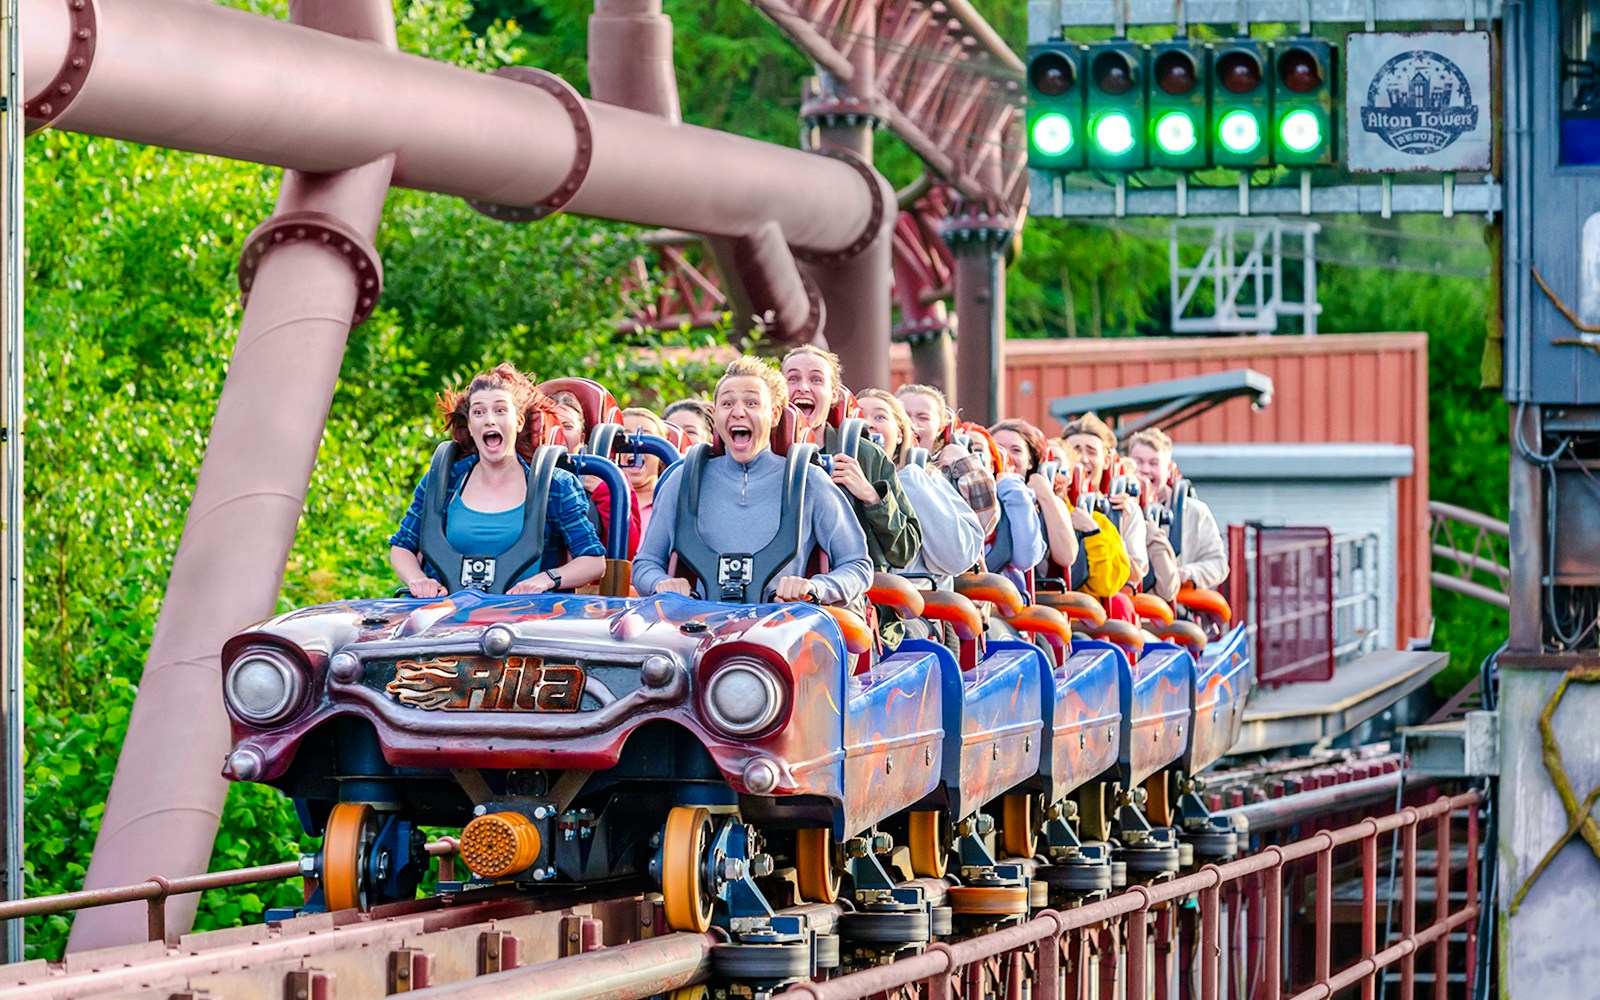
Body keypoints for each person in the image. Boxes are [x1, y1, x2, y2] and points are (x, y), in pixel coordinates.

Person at [633, 356, 872, 606]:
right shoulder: (683, 479)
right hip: (705, 626)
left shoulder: (808, 481)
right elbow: (645, 564)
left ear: (775, 414)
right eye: (727, 404)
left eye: (751, 403)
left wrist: (815, 587)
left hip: (781, 628)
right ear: (716, 416)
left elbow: (857, 565)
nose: (738, 412)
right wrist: (661, 583)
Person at [389, 363, 606, 598]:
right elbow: (402, 546)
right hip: (448, 615)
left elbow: (593, 561)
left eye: (500, 411)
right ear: (471, 426)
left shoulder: (554, 485)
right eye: (479, 413)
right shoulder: (444, 480)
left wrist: (546, 580)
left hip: (524, 617)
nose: (490, 420)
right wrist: (419, 580)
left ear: (519, 422)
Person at [781, 346, 921, 571]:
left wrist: (871, 496)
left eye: (816, 380)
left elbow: (905, 551)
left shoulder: (864, 454)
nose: (803, 388)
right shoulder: (763, 454)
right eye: (793, 379)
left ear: (834, 394)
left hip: (852, 596)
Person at [859, 388, 984, 588]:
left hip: (914, 608)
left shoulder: (924, 478)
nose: (868, 423)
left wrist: (909, 482)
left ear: (900, 433)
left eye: (880, 416)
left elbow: (959, 557)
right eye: (859, 415)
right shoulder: (832, 476)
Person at [1127, 427, 1229, 589]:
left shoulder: (1195, 512)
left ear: (1169, 469)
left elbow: (1219, 564)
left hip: (1178, 605)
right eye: (1138, 462)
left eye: (1154, 463)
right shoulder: (1117, 509)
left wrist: (1187, 573)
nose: (1145, 470)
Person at [896, 384, 1000, 535]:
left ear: (940, 427)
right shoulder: (881, 462)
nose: (912, 423)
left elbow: (985, 522)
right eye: (904, 416)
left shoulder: (954, 468)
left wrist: (966, 464)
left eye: (923, 417)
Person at [956, 423, 1046, 592]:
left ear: (992, 464)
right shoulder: (944, 494)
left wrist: (1013, 489)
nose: (969, 457)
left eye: (977, 450)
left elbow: (1026, 558)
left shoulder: (1011, 498)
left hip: (1003, 601)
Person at [1062, 412, 1148, 584]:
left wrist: (1113, 529)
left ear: (1107, 461)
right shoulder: (1052, 502)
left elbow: (1135, 577)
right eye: (1076, 451)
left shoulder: (1124, 511)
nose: (1084, 459)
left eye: (1092, 452)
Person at [990, 418, 1085, 574]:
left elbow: (1066, 556)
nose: (1006, 455)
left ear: (1030, 462)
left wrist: (1046, 496)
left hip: (1027, 590)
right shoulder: (972, 491)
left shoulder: (1047, 499)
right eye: (998, 448)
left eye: (1016, 450)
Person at [620, 406, 667, 536]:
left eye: (646, 437)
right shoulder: (598, 500)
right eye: (625, 437)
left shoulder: (674, 501)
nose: (635, 446)